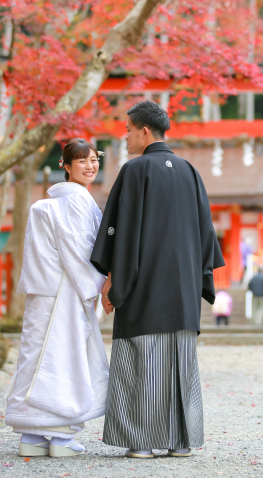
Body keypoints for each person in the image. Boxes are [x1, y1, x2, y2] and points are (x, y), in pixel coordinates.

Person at [91, 100, 225, 459]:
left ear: (144, 131)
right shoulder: (189, 171)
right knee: (181, 364)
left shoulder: (134, 171)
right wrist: (200, 278)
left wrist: (112, 279)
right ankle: (180, 441)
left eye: (128, 130)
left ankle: (142, 441)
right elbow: (205, 232)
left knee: (143, 360)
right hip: (182, 294)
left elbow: (123, 232)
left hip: (145, 287)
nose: (126, 136)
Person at [5, 139, 108, 458]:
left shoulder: (50, 203)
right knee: (64, 355)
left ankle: (33, 436)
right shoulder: (76, 201)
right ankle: (61, 436)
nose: (90, 166)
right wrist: (100, 285)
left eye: (93, 160)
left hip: (44, 293)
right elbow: (79, 252)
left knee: (37, 353)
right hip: (67, 291)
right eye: (81, 161)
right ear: (65, 166)